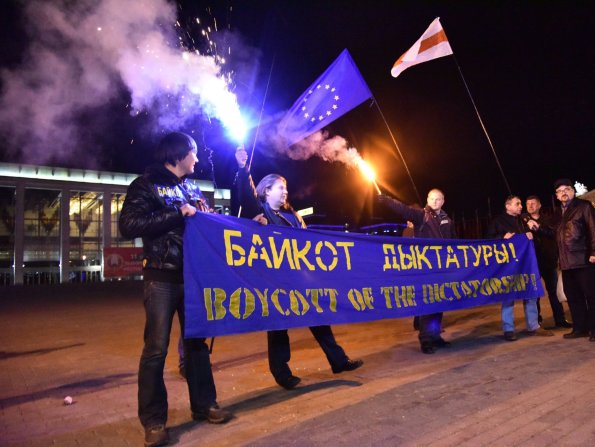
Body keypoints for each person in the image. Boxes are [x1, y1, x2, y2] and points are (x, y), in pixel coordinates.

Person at [119, 132, 231, 447]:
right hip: (161, 278)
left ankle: (205, 404)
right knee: (156, 349)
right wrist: (176, 213)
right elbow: (128, 225)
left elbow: (205, 224)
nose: (197, 159)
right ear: (179, 154)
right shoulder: (145, 185)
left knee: (196, 344)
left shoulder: (192, 188)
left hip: (193, 277)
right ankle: (154, 422)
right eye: (193, 153)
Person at [235, 148, 363, 390]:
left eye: (286, 188)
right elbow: (245, 194)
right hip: (274, 282)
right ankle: (282, 374)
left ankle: (339, 360)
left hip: (300, 279)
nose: (285, 191)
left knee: (318, 316)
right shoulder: (260, 214)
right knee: (278, 327)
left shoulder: (292, 217)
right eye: (279, 188)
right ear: (266, 191)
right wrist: (243, 170)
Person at [377, 188, 456, 354]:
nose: (435, 202)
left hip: (442, 269)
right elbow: (403, 209)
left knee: (440, 303)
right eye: (432, 199)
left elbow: (454, 243)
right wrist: (386, 200)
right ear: (427, 200)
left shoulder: (447, 220)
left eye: (438, 199)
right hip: (427, 269)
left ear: (443, 201)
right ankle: (426, 340)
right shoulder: (421, 216)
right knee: (428, 305)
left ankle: (435, 337)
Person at [530, 179, 595, 342]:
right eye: (560, 191)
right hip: (566, 262)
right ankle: (580, 328)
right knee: (573, 297)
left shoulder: (584, 206)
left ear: (573, 191)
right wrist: (537, 227)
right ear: (556, 196)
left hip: (584, 259)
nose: (564, 192)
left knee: (591, 296)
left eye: (567, 189)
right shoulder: (558, 213)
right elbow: (554, 234)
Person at [487, 195, 554, 341]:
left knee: (530, 295)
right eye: (517, 204)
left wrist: (531, 235)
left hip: (526, 265)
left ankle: (533, 326)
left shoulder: (524, 221)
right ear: (508, 206)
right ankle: (508, 329)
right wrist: (502, 237)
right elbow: (488, 240)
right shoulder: (498, 222)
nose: (521, 206)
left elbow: (537, 240)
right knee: (508, 297)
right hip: (508, 267)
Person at [525, 195, 572, 329]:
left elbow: (554, 234)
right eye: (528, 204)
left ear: (539, 205)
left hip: (548, 261)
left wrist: (537, 228)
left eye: (533, 203)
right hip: (531, 263)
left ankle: (560, 319)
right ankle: (537, 321)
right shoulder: (522, 222)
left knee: (554, 292)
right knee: (535, 293)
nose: (530, 206)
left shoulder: (548, 220)